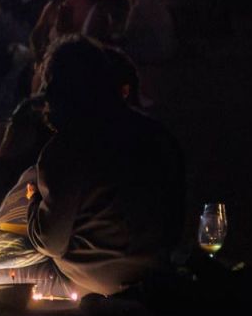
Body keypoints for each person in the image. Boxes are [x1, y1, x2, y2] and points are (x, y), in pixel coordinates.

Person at [25, 35, 185, 297]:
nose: (46, 95)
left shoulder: (67, 149)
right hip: (155, 278)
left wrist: (32, 203)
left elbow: (50, 241)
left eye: (50, 85)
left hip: (93, 282)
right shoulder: (158, 136)